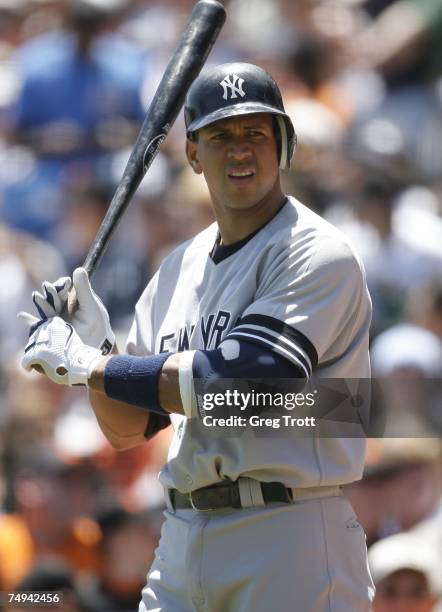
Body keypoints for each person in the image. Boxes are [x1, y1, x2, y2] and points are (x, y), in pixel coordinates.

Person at [20, 63, 374, 611]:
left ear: (284, 144)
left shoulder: (313, 250)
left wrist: (91, 367)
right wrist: (102, 355)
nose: (240, 150)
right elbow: (129, 428)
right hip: (183, 530)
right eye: (221, 135)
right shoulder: (177, 268)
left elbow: (247, 382)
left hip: (287, 528)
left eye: (257, 132)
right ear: (191, 153)